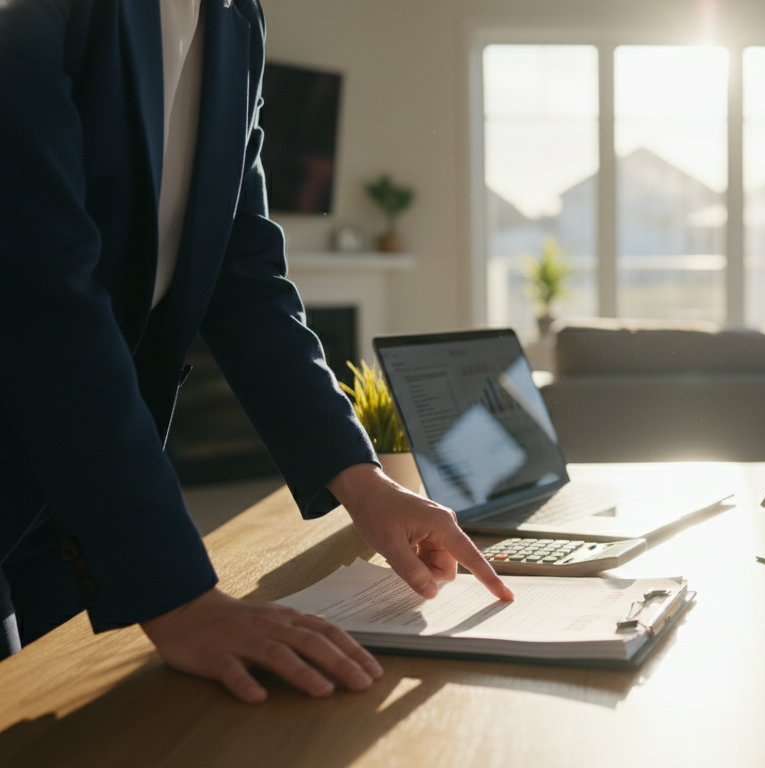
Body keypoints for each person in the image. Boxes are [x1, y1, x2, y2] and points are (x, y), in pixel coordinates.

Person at [0, 0, 513, 703]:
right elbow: (39, 290)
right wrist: (182, 600)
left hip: (70, 497)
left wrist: (363, 481)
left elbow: (244, 273)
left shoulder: (238, 19)